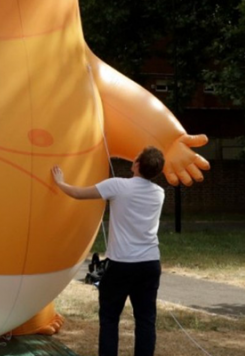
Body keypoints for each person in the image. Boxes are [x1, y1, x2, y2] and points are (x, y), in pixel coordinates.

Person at [52, 146, 167, 356]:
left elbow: (78, 194)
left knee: (109, 318)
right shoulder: (159, 193)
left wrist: (60, 182)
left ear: (137, 164)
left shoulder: (117, 185)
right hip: (150, 264)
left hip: (120, 265)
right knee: (146, 320)